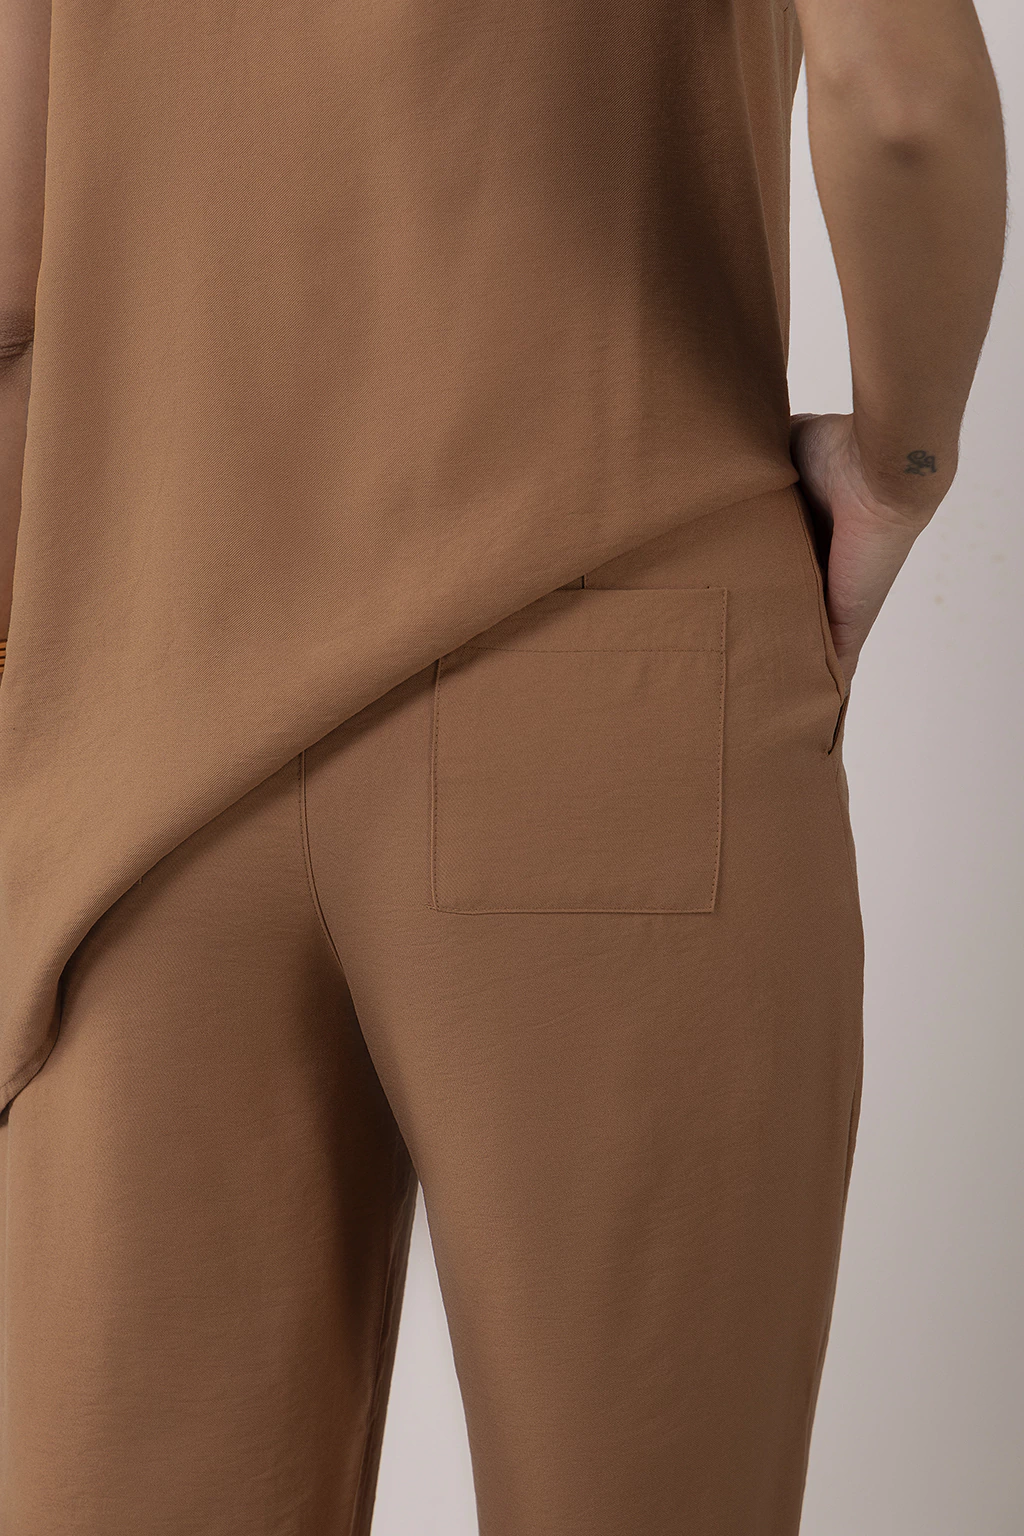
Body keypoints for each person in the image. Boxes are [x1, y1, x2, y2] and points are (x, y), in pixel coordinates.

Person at [0, 0, 1006, 1531]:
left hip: (143, 742)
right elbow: (904, 98)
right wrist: (895, 468)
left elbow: (12, 282)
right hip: (614, 661)